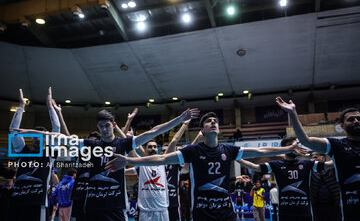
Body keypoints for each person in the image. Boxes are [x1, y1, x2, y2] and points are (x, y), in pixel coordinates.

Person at [105, 112, 307, 221]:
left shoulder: (228, 150)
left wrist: (286, 149)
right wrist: (131, 161)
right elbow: (161, 159)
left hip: (226, 213)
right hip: (202, 213)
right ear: (202, 129)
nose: (213, 123)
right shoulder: (193, 151)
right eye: (209, 122)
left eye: (215, 121)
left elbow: (260, 153)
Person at [16, 108, 200, 221]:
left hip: (116, 208)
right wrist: (29, 131)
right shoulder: (92, 145)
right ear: (98, 127)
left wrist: (179, 119)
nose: (104, 129)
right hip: (93, 207)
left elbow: (153, 131)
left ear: (113, 124)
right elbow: (60, 137)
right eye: (101, 126)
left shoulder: (122, 144)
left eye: (107, 125)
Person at [276, 97, 360, 221]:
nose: (356, 121)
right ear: (342, 126)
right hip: (349, 213)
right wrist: (293, 114)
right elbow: (306, 140)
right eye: (351, 119)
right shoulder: (338, 146)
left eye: (358, 118)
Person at [239, 137, 333, 221]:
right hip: (285, 214)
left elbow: (330, 165)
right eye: (290, 145)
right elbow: (254, 167)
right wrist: (237, 157)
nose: (294, 147)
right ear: (284, 148)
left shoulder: (307, 164)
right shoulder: (276, 165)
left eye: (295, 145)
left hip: (305, 213)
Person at [9, 88, 60, 221]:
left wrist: (50, 107)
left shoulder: (49, 153)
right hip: (17, 202)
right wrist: (21, 106)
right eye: (34, 136)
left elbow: (57, 130)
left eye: (39, 136)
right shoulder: (23, 151)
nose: (36, 138)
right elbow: (13, 130)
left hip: (38, 204)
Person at [310, 152, 341, 221]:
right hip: (317, 206)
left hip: (333, 205)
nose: (313, 160)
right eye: (312, 158)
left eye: (315, 157)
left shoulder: (332, 169)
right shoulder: (311, 171)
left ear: (323, 158)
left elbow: (338, 160)